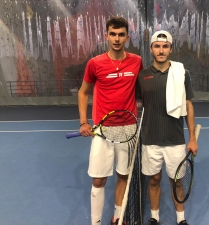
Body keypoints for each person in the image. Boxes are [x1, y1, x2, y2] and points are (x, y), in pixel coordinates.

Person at [78, 16, 143, 225]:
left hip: (128, 128)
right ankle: (96, 222)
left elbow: (144, 90)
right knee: (99, 179)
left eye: (121, 34)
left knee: (123, 176)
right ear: (106, 36)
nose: (117, 38)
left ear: (127, 37)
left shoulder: (137, 61)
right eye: (113, 34)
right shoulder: (95, 63)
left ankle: (118, 217)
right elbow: (83, 92)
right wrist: (83, 122)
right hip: (102, 129)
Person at [135, 30, 198, 225]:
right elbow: (136, 104)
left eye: (165, 46)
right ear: (151, 49)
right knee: (154, 180)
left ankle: (181, 219)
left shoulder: (182, 74)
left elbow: (188, 105)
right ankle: (154, 217)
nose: (161, 50)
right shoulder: (142, 76)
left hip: (175, 139)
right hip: (151, 139)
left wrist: (192, 139)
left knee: (176, 181)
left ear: (170, 49)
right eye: (157, 46)